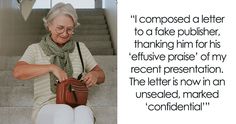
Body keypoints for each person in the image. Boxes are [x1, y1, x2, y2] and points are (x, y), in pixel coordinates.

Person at [12, 2, 105, 124]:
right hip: (45, 107)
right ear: (49, 25)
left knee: (83, 112)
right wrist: (51, 67)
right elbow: (18, 72)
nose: (65, 33)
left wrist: (95, 75)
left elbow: (101, 75)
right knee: (64, 111)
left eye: (70, 29)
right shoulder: (35, 49)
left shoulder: (80, 48)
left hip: (78, 103)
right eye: (60, 28)